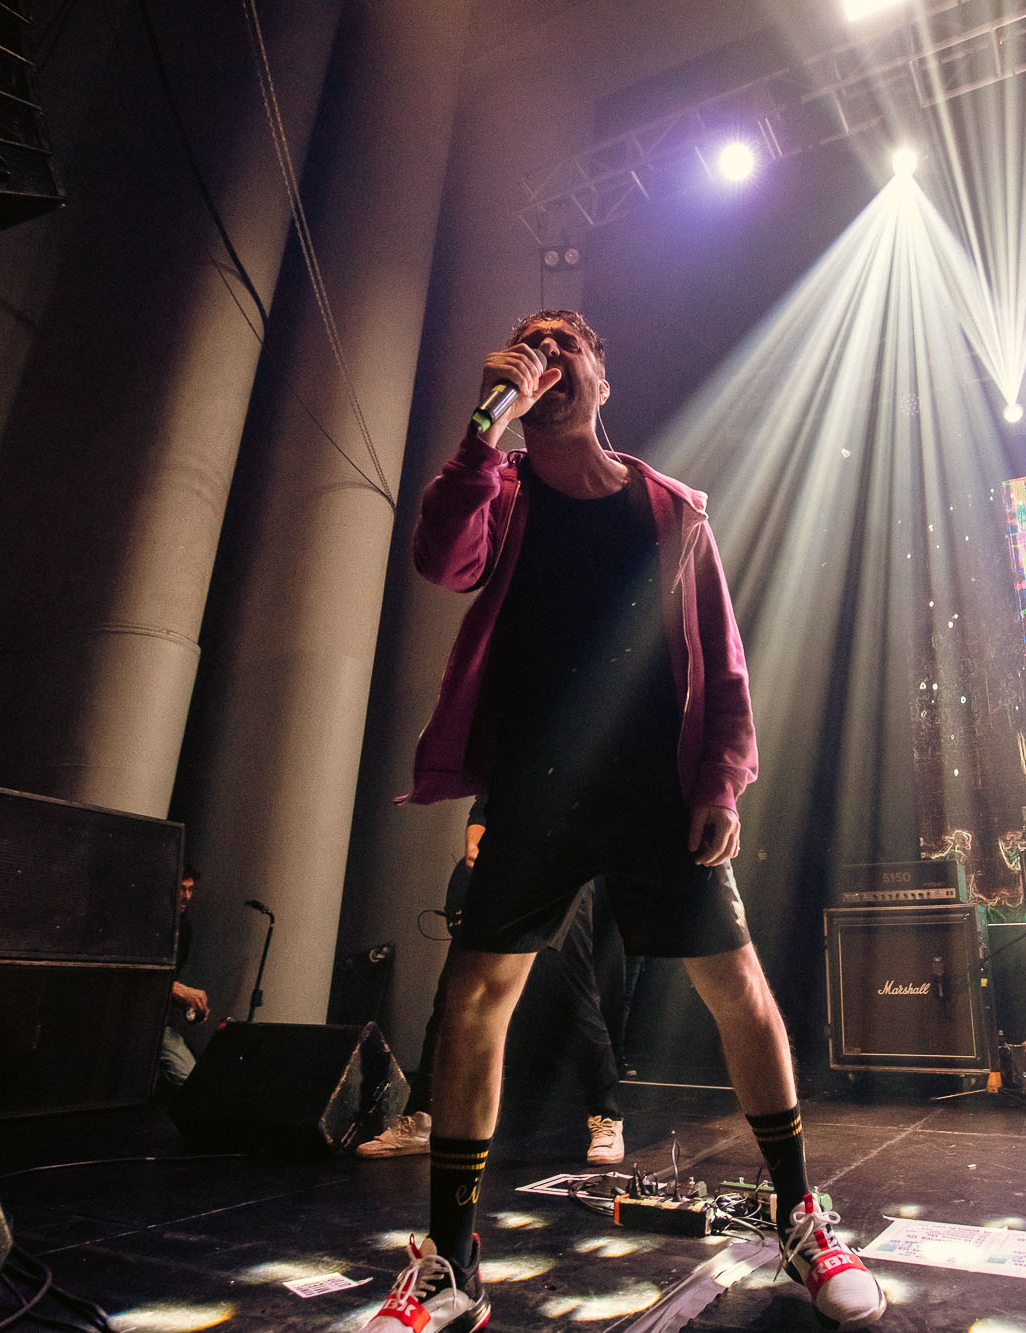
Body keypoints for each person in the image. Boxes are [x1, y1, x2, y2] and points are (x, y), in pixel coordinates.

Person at [362, 311, 885, 1332]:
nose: (546, 357)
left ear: (603, 378)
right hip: (534, 783)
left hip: (653, 784)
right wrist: (481, 433)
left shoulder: (670, 510)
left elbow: (721, 657)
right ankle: (453, 1263)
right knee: (473, 999)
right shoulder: (500, 488)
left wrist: (721, 780)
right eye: (531, 344)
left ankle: (798, 1216)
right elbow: (441, 560)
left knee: (737, 987)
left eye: (566, 344)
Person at [358, 802, 629, 1164]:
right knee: (453, 1001)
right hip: (500, 877)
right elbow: (483, 806)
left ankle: (607, 1117)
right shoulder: (508, 767)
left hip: (561, 876)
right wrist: (475, 847)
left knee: (572, 996)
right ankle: (423, 1118)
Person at [158, 864, 208, 1092]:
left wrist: (189, 1005)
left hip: (158, 1023)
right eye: (181, 888)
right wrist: (176, 990)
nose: (186, 896)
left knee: (189, 1077)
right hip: (129, 1021)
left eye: (190, 889)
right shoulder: (147, 925)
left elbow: (169, 985)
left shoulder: (184, 930)